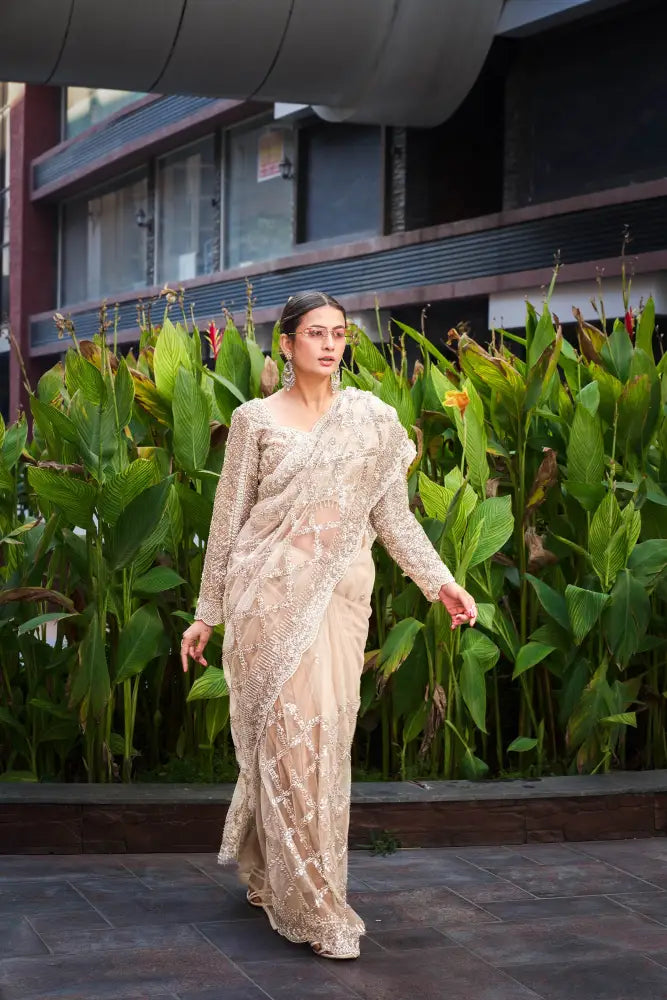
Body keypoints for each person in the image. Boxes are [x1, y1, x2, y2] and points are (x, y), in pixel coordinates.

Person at [180, 290, 477, 960]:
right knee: (287, 742)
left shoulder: (370, 422)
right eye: (315, 333)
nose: (329, 344)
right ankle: (316, 907)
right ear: (286, 344)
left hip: (339, 604)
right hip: (267, 601)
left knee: (322, 745)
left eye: (338, 334)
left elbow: (392, 519)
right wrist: (206, 613)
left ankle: (275, 871)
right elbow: (227, 523)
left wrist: (440, 582)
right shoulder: (254, 420)